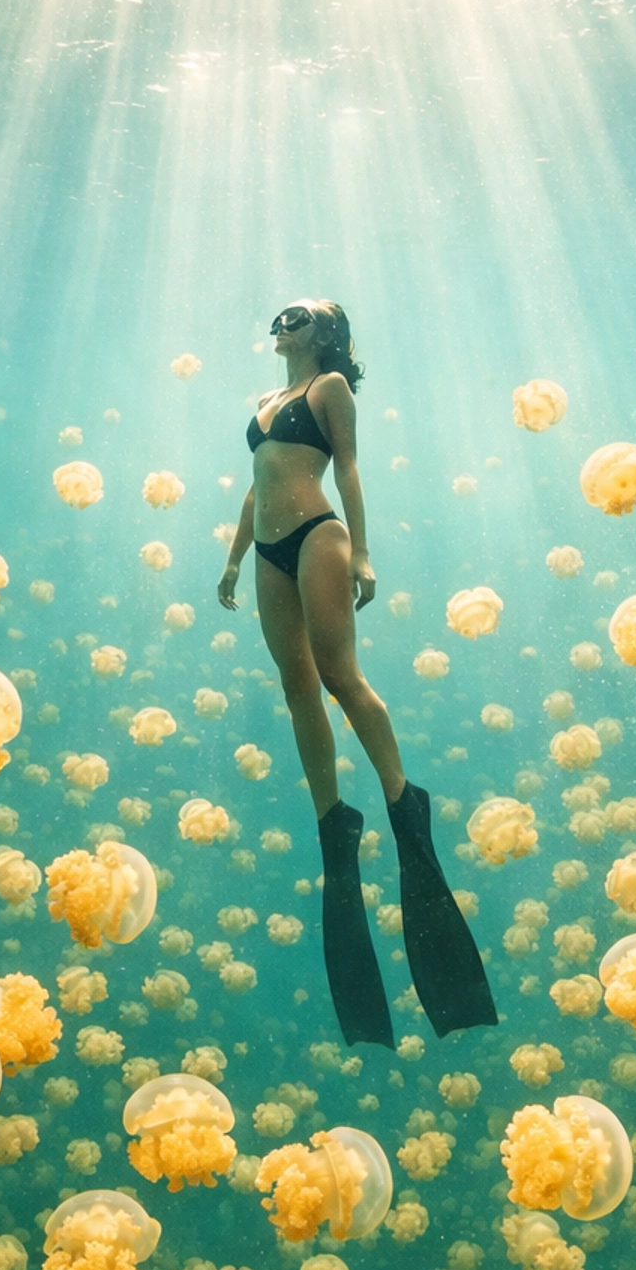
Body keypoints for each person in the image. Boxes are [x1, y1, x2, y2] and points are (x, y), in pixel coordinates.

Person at [218, 299, 495, 1045]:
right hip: (271, 547)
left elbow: (347, 465)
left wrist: (364, 551)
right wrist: (236, 557)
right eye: (278, 314)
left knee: (339, 673)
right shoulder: (266, 400)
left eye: (298, 314)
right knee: (295, 683)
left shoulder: (328, 389)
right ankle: (332, 825)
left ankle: (403, 804)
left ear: (326, 333)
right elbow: (255, 483)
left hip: (318, 532)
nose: (282, 322)